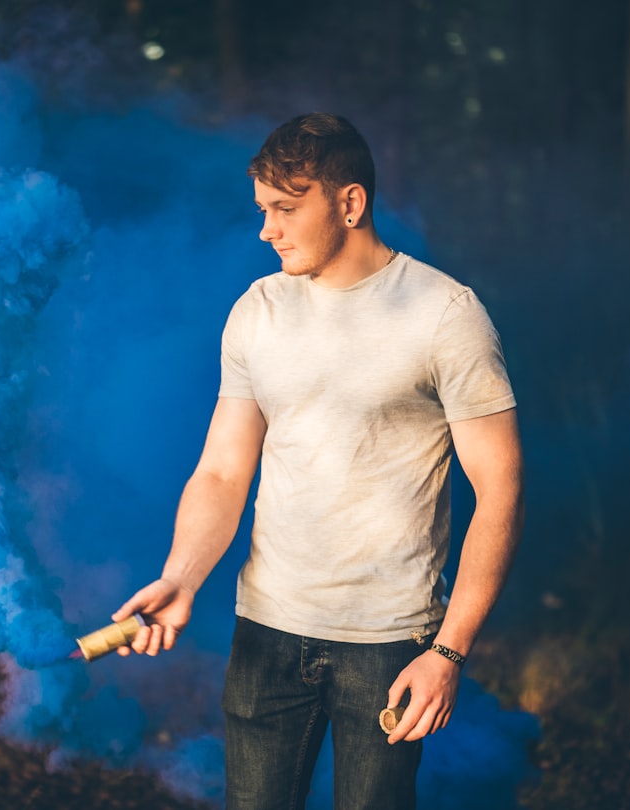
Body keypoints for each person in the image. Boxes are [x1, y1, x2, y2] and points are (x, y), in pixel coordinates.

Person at [112, 113, 523, 810]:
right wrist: (181, 577)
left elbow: (501, 490)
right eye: (262, 210)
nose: (266, 229)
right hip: (266, 632)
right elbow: (221, 469)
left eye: (284, 208)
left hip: (391, 641)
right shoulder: (258, 310)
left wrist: (448, 652)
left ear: (350, 203)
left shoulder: (446, 315)